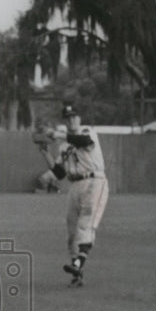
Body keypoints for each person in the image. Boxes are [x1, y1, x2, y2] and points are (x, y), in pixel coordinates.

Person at [37, 103, 109, 286]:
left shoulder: (87, 131)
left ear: (79, 118)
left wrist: (54, 133)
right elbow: (60, 173)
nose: (71, 120)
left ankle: (78, 263)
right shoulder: (64, 146)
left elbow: (82, 142)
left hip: (94, 181)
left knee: (86, 223)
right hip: (75, 185)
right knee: (71, 232)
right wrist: (45, 154)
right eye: (68, 118)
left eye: (74, 116)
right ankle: (77, 272)